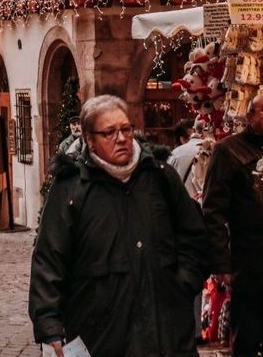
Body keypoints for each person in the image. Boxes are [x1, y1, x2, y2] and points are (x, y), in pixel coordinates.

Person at [29, 94, 210, 357]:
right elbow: (49, 259)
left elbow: (193, 236)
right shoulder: (72, 188)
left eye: (126, 129)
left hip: (166, 329)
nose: (122, 138)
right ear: (90, 139)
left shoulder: (159, 177)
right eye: (109, 132)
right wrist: (50, 326)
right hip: (101, 331)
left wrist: (181, 284)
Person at [202, 92, 263, 357]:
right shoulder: (228, 151)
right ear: (250, 115)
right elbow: (213, 211)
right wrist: (220, 262)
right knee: (248, 335)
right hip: (250, 262)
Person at [169, 115, 207, 195]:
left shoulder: (175, 154)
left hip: (184, 203)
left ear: (181, 139)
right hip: (207, 203)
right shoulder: (211, 149)